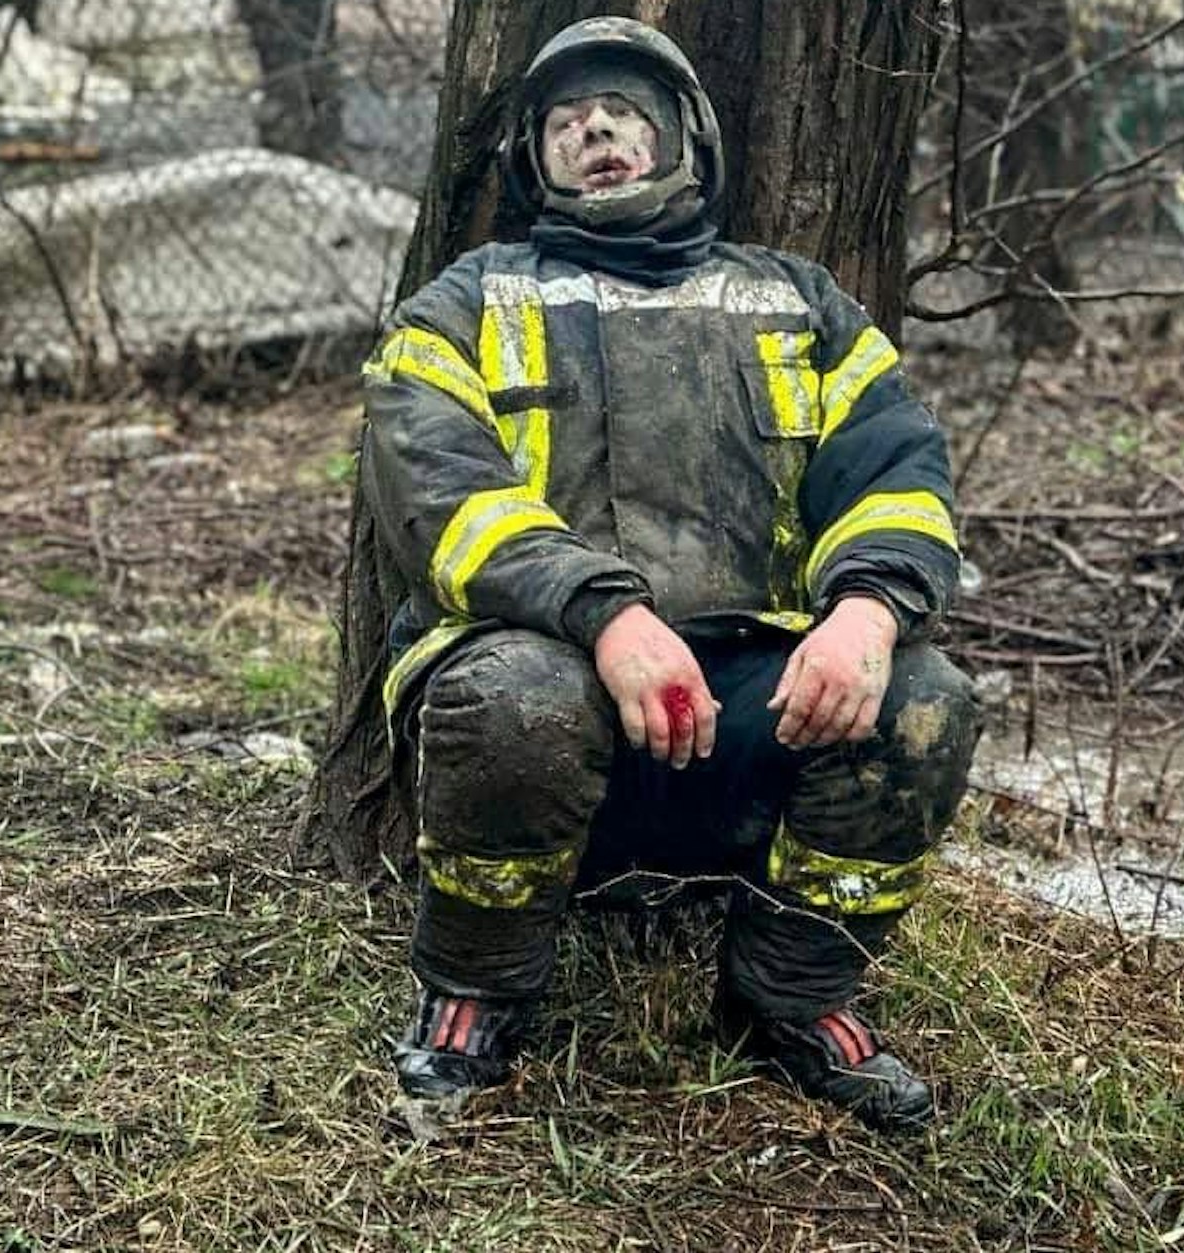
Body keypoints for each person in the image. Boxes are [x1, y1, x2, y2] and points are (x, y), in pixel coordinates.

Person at [359, 16, 980, 1132]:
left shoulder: (799, 303)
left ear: (683, 137)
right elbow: (435, 491)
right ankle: (476, 987)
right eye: (565, 121)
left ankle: (792, 992)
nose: (595, 131)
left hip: (757, 704)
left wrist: (867, 611)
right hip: (548, 678)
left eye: (623, 113)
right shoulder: (463, 305)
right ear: (532, 158)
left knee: (925, 703)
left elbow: (895, 469)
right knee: (512, 700)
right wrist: (603, 614)